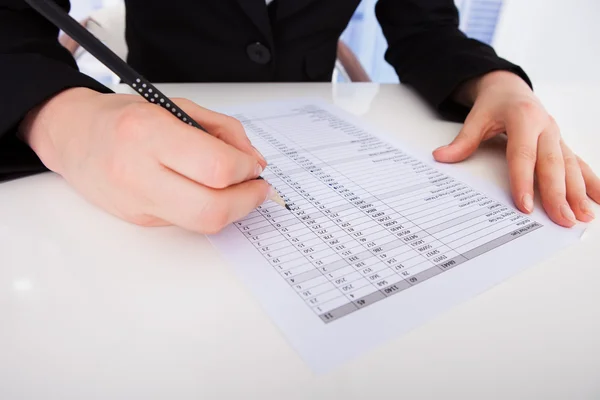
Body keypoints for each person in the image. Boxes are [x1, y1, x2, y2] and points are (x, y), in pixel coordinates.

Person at [1, 0, 598, 234]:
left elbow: (426, 27)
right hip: (164, 116)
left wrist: (497, 82)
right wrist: (57, 115)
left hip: (321, 121)